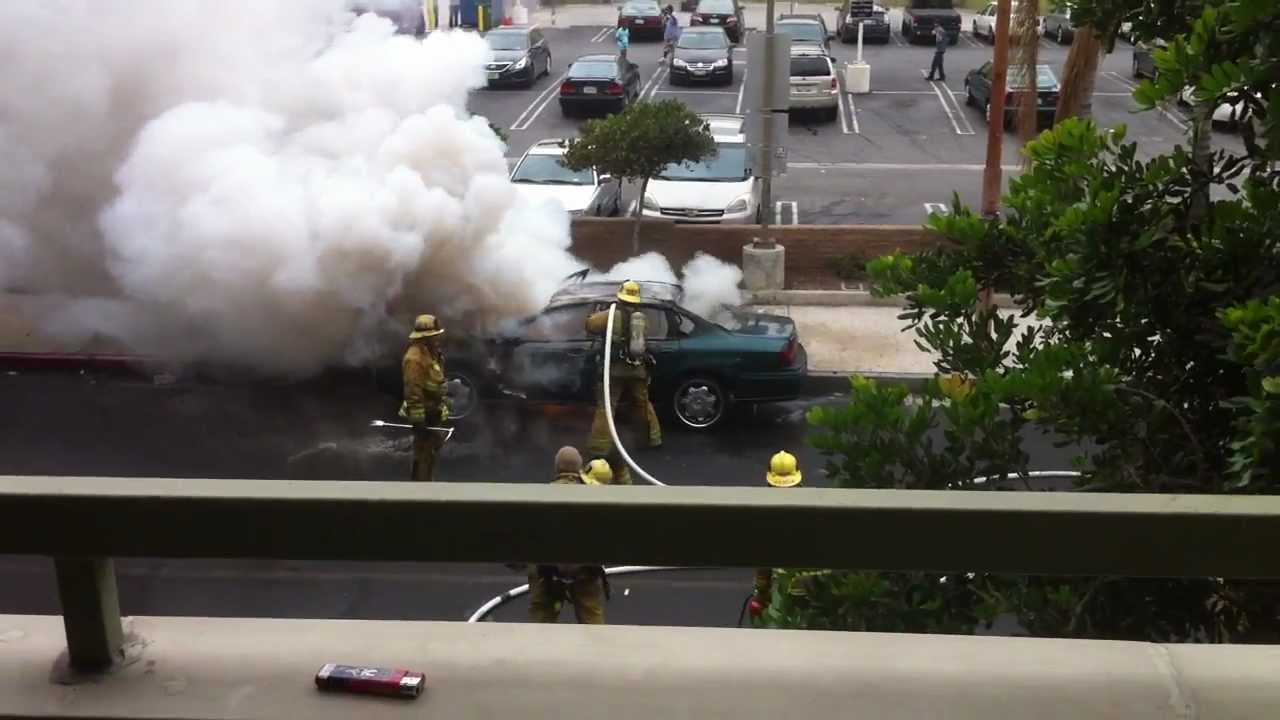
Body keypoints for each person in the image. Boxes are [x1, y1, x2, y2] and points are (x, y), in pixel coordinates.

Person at [528, 449, 611, 624]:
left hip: (547, 575)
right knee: (593, 624)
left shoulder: (540, 496)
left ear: (556, 468)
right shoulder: (594, 497)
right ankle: (598, 650)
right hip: (585, 572)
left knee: (539, 624)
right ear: (580, 467)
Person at [585, 280, 662, 457]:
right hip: (638, 369)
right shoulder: (642, 318)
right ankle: (653, 439)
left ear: (620, 295)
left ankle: (599, 447)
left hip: (615, 370)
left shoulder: (609, 315)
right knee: (643, 403)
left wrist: (595, 311)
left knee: (607, 406)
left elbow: (589, 325)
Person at [747, 451, 803, 623]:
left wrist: (760, 595)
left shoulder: (767, 515)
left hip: (782, 594)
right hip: (815, 591)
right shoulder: (815, 505)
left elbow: (763, 571)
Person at [399, 314, 449, 482]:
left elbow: (435, 380)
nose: (438, 337)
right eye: (434, 335)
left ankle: (426, 485)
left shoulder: (432, 352)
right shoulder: (414, 359)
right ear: (425, 337)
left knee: (431, 453)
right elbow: (413, 391)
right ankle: (420, 493)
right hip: (424, 415)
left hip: (433, 411)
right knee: (423, 455)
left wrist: (444, 398)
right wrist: (418, 421)